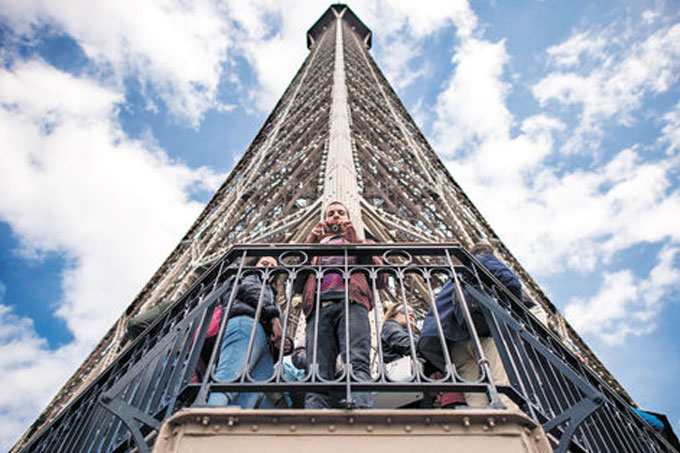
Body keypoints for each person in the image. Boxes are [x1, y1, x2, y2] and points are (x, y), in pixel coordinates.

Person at [294, 201, 386, 409]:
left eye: (341, 213)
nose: (336, 217)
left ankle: (361, 408)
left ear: (348, 219)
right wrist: (310, 244)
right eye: (331, 213)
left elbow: (381, 279)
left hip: (352, 304)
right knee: (317, 368)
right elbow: (297, 285)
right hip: (319, 308)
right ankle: (315, 414)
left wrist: (357, 244)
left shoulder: (365, 243)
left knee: (357, 360)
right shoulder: (316, 250)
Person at [418, 240, 524, 410]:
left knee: (474, 393)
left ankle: (485, 428)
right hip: (479, 333)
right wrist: (516, 313)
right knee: (501, 382)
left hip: (450, 341)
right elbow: (512, 282)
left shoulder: (454, 276)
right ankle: (510, 417)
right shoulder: (484, 259)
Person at [208, 256, 286, 408]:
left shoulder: (270, 292)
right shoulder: (249, 276)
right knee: (230, 377)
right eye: (264, 263)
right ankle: (208, 416)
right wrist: (274, 320)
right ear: (254, 264)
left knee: (247, 395)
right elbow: (251, 292)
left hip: (262, 338)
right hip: (245, 323)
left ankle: (226, 427)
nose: (268, 267)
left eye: (272, 266)